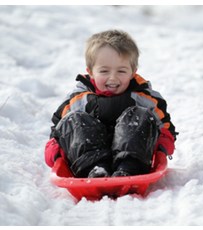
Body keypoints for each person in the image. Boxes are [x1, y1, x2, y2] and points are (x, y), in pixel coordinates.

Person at [44, 29, 178, 178]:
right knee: (73, 119)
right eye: (104, 71)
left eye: (121, 71)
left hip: (133, 156)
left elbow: (165, 127)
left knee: (141, 115)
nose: (113, 78)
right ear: (91, 72)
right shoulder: (78, 99)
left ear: (133, 72)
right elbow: (60, 128)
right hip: (88, 160)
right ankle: (96, 169)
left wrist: (161, 147)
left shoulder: (145, 98)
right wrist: (55, 150)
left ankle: (127, 168)